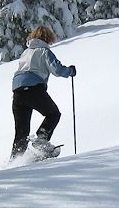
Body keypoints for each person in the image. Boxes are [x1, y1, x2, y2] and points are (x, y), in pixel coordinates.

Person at [10, 26, 76, 160]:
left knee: (21, 132)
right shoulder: (44, 51)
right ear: (48, 38)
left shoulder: (26, 52)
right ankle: (41, 140)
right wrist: (70, 71)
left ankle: (15, 161)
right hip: (33, 88)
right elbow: (57, 70)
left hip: (17, 92)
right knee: (53, 114)